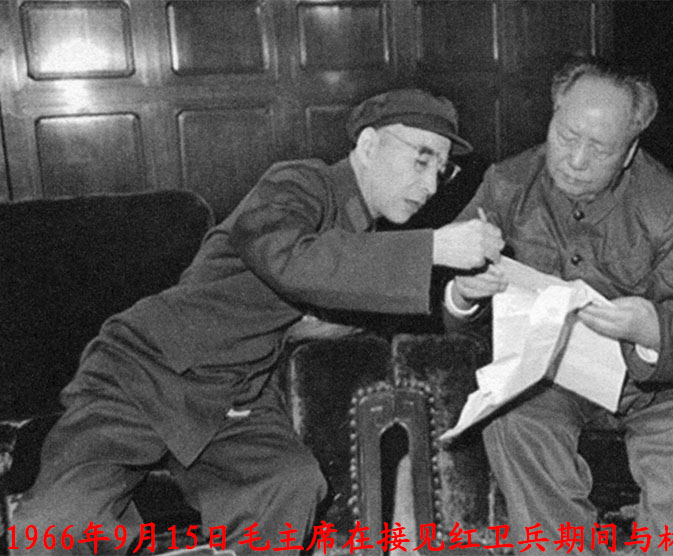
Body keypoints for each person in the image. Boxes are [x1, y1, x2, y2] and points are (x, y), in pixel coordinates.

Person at [11, 88, 504, 555]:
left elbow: (385, 323)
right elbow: (287, 256)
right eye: (421, 159)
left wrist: (458, 295)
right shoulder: (298, 183)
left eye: (442, 170)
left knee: (289, 485)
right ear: (370, 145)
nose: (431, 184)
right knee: (58, 523)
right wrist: (434, 247)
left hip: (236, 398)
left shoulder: (369, 248)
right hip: (149, 371)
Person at [443, 57, 673, 551]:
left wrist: (650, 328)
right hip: (551, 377)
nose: (575, 161)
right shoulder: (506, 184)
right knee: (514, 424)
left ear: (629, 152)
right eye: (566, 136)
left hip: (658, 388)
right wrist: (462, 296)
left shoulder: (667, 203)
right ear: (553, 117)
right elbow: (448, 291)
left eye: (599, 149)